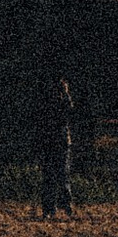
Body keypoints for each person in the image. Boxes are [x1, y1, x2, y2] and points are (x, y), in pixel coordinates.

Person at [34, 74, 76, 216]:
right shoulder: (48, 103)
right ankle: (52, 207)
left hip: (59, 141)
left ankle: (61, 205)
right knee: (52, 175)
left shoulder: (59, 103)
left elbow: (69, 111)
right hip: (54, 141)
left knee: (61, 174)